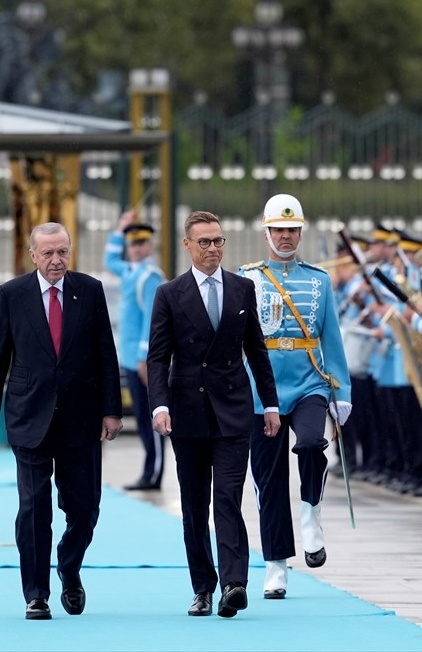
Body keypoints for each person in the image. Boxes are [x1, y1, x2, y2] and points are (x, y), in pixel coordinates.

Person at [0, 222, 124, 621]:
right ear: (33, 255)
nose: (56, 260)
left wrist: (113, 409)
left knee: (85, 508)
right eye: (48, 253)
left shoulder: (89, 290)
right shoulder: (12, 295)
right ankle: (36, 594)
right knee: (34, 508)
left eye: (63, 252)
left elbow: (105, 353)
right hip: (30, 417)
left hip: (82, 417)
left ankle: (70, 567)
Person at [146, 210, 281, 619]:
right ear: (188, 245)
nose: (212, 249)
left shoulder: (242, 289)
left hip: (233, 411)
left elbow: (256, 350)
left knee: (227, 497)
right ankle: (203, 588)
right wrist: (160, 404)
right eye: (204, 242)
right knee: (193, 505)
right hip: (187, 414)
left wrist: (270, 404)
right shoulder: (170, 294)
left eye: (218, 241)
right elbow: (158, 357)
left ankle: (234, 583)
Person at [239, 194, 351, 600]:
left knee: (309, 444)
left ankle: (311, 512)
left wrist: (341, 390)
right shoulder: (247, 278)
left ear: (300, 232)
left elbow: (331, 339)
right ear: (266, 232)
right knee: (267, 480)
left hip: (309, 381)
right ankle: (276, 564)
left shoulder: (318, 280)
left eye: (292, 230)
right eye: (279, 230)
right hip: (260, 388)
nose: (285, 237)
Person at [104, 210, 165, 490]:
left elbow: (153, 320)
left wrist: (145, 357)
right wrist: (120, 228)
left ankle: (154, 473)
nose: (137, 248)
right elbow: (109, 260)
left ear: (149, 244)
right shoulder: (131, 271)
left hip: (141, 359)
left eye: (141, 243)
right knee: (141, 416)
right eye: (132, 243)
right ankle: (149, 470)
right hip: (128, 356)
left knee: (152, 416)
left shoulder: (150, 277)